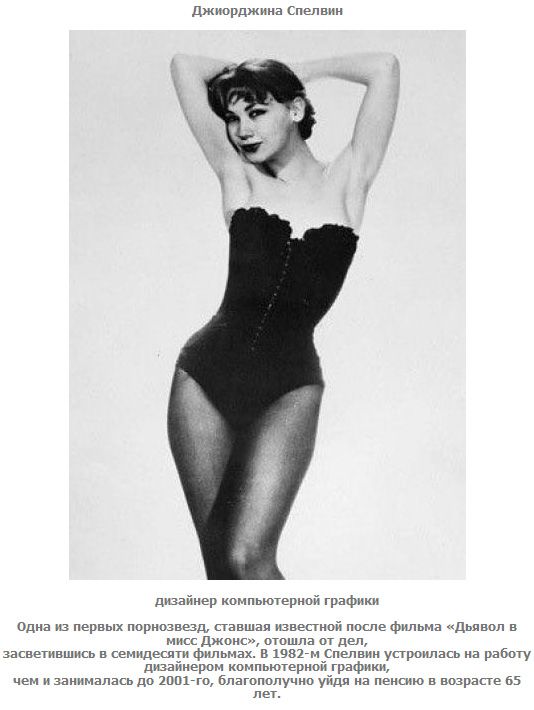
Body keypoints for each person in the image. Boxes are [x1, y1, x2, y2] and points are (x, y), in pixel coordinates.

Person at [168, 51, 399, 579]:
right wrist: (255, 79)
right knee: (222, 570)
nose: (242, 130)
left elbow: (384, 68)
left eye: (257, 111)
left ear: (295, 109)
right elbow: (184, 64)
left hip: (290, 388)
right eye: (233, 117)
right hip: (202, 380)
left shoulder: (349, 179)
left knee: (248, 559)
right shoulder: (238, 175)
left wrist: (299, 70)